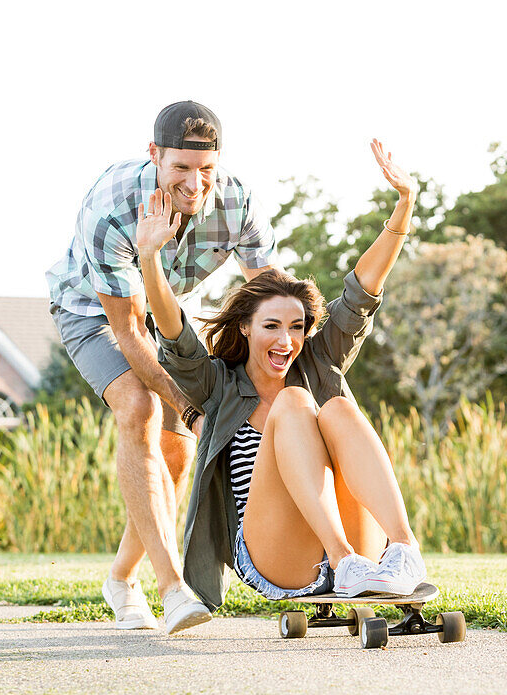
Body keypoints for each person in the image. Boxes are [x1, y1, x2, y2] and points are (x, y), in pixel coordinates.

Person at [142, 140, 424, 611]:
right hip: (276, 556)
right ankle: (344, 563)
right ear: (246, 328)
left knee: (335, 407)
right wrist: (150, 257)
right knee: (296, 404)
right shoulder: (218, 383)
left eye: (296, 327)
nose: (286, 341)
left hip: (359, 544)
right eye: (272, 326)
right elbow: (174, 333)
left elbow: (363, 289)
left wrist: (405, 203)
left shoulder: (318, 361)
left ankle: (404, 551)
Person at [44, 101, 276, 634]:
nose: (195, 184)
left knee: (176, 455)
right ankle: (173, 589)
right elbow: (127, 331)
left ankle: (121, 579)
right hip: (93, 311)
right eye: (180, 169)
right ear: (154, 156)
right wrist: (192, 407)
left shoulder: (238, 202)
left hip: (173, 310)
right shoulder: (112, 209)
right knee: (139, 407)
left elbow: (269, 293)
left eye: (206, 170)